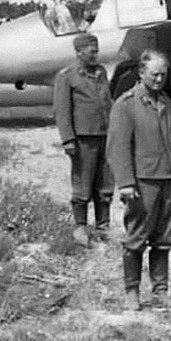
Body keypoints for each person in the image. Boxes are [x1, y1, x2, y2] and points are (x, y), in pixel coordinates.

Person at [106, 50, 171, 311]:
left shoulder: (165, 101)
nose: (159, 79)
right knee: (137, 237)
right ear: (141, 73)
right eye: (154, 74)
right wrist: (126, 183)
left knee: (165, 237)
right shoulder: (126, 105)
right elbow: (117, 147)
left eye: (163, 74)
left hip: (168, 179)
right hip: (143, 183)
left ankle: (160, 291)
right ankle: (132, 292)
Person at [53, 32, 115, 246]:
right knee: (83, 182)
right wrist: (68, 139)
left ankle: (103, 226)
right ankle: (80, 226)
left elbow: (108, 102)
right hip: (83, 139)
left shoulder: (101, 73)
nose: (95, 55)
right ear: (78, 52)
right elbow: (62, 111)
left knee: (105, 182)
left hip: (105, 136)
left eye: (97, 51)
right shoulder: (67, 76)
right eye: (91, 51)